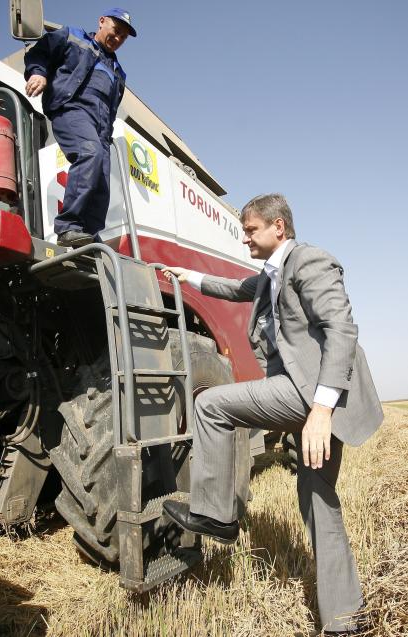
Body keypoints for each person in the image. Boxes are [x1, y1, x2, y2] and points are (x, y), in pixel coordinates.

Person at [162, 193, 383, 636]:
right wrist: (187, 277)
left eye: (251, 230)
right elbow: (235, 288)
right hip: (308, 394)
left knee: (210, 404)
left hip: (313, 394)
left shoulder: (308, 261)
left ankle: (217, 515)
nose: (245, 238)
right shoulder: (269, 275)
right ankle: (346, 619)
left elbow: (342, 329)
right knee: (319, 500)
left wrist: (320, 410)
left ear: (278, 227)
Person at [24, 9, 137, 247]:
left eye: (123, 37)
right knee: (89, 153)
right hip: (71, 110)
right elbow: (40, 52)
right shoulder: (72, 37)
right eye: (116, 31)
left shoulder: (119, 73)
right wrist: (38, 73)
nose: (118, 39)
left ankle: (87, 235)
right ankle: (68, 226)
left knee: (102, 180)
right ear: (102, 21)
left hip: (101, 129)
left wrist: (105, 135)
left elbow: (112, 107)